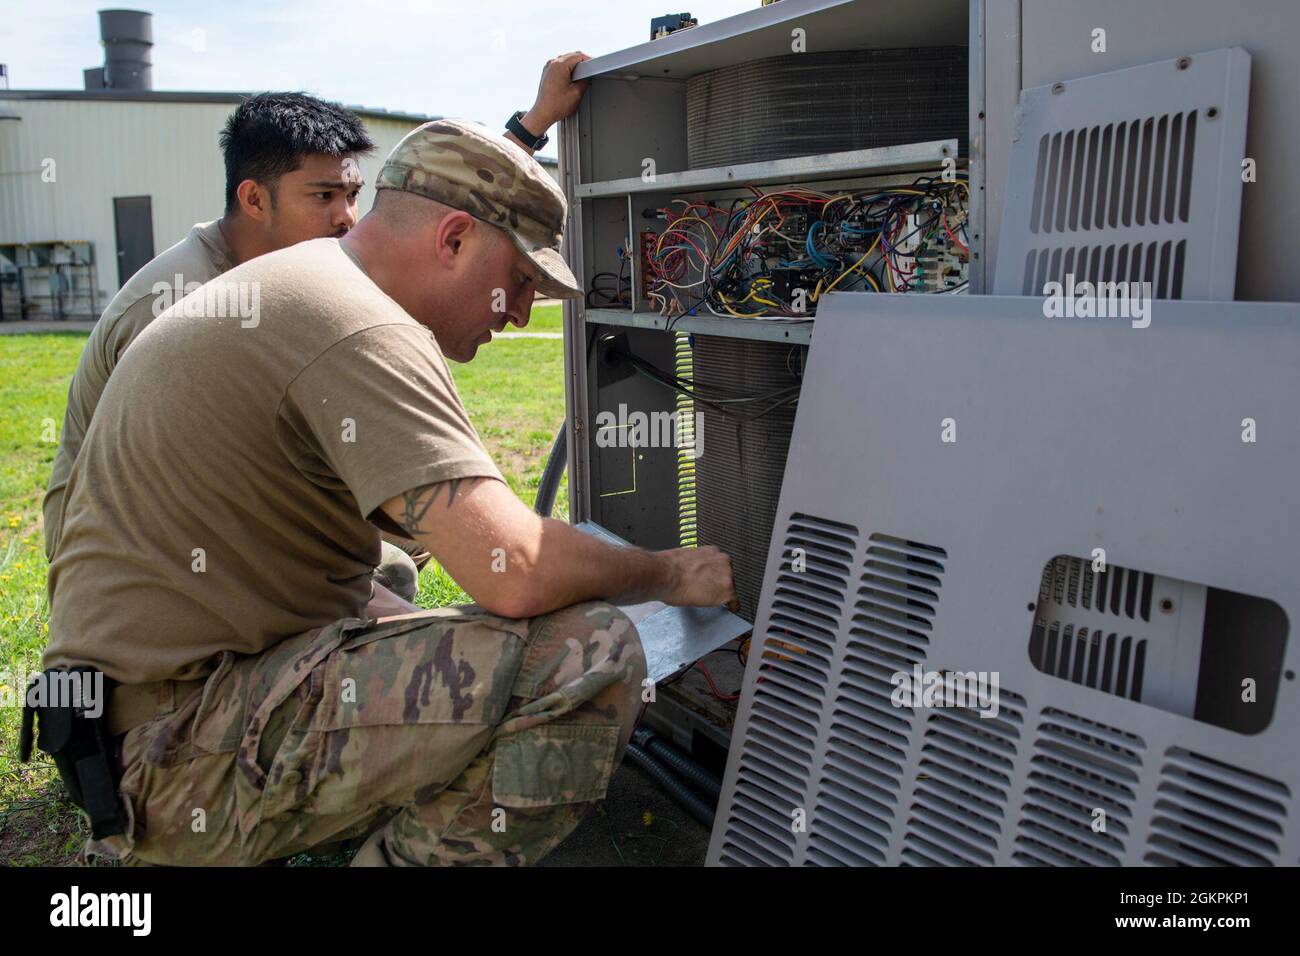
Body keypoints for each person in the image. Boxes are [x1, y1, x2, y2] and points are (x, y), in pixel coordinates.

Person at [38, 103, 736, 865]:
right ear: (454, 238)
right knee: (587, 654)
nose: (521, 313)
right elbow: (517, 568)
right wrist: (667, 573)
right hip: (171, 761)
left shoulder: (303, 282)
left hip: (129, 733)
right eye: (520, 280)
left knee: (399, 584)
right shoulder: (360, 324)